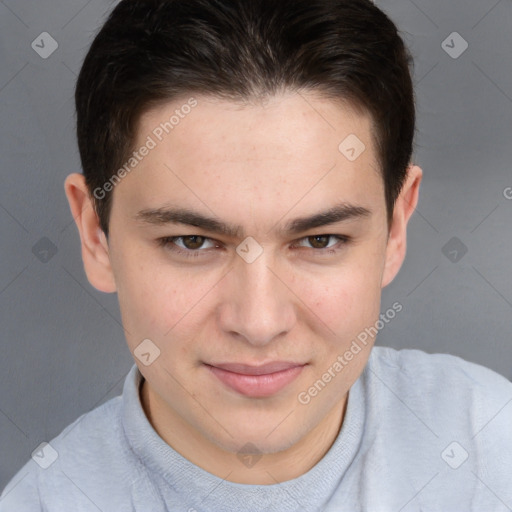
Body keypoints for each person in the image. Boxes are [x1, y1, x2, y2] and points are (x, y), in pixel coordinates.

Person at [1, 0, 511, 510]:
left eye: (319, 240)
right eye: (193, 242)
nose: (259, 323)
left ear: (396, 228)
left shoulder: (492, 445)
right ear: (97, 236)